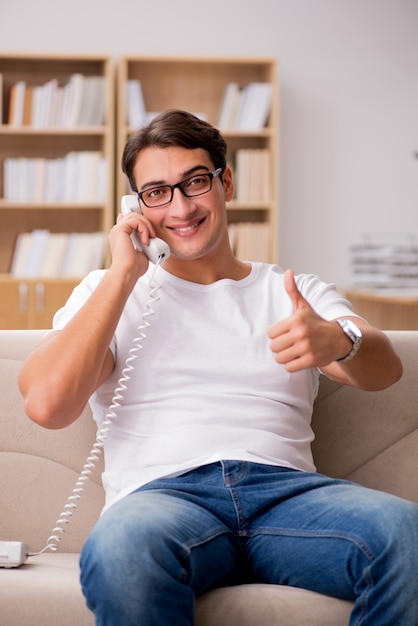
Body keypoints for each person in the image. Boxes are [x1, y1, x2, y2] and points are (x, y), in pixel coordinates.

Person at [18, 109, 418, 626]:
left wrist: (338, 341)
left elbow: (384, 370)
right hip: (164, 499)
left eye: (195, 182)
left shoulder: (293, 290)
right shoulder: (108, 293)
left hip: (288, 498)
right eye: (157, 192)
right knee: (122, 550)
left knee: (406, 534)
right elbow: (48, 404)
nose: (180, 207)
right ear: (135, 207)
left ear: (226, 182)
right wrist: (123, 274)